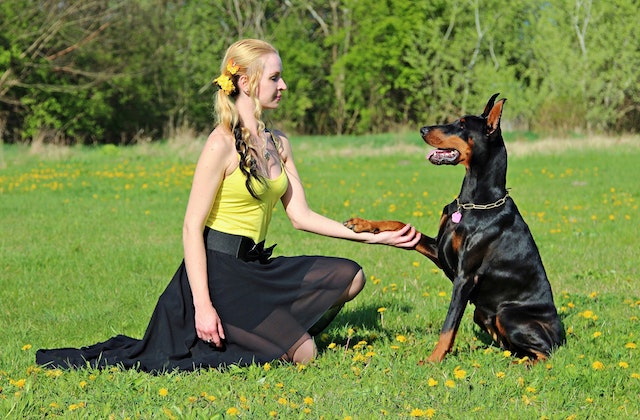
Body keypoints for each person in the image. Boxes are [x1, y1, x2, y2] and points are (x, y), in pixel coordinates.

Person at [36, 39, 420, 372]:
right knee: (306, 354)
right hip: (219, 274)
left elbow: (300, 216)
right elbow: (191, 227)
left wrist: (372, 238)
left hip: (255, 266)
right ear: (246, 83)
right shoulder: (219, 145)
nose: (283, 86)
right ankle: (245, 332)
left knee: (352, 276)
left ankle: (265, 327)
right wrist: (203, 305)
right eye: (275, 78)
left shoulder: (279, 143)